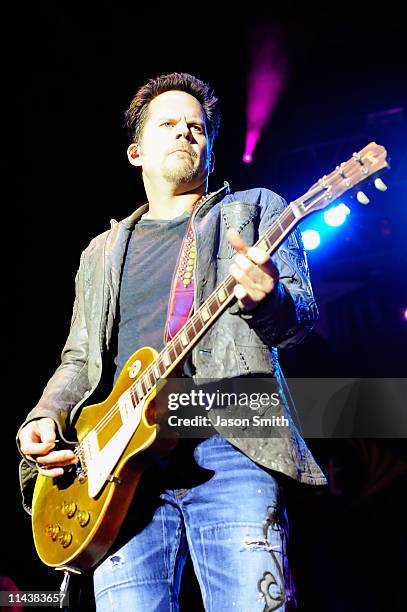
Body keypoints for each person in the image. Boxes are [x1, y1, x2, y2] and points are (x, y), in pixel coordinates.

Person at [17, 72, 327, 611]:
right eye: (169, 124)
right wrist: (43, 416)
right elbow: (79, 359)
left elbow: (300, 317)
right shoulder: (100, 252)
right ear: (136, 152)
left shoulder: (251, 211)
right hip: (118, 472)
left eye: (197, 127)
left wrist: (267, 300)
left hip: (231, 443)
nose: (186, 132)